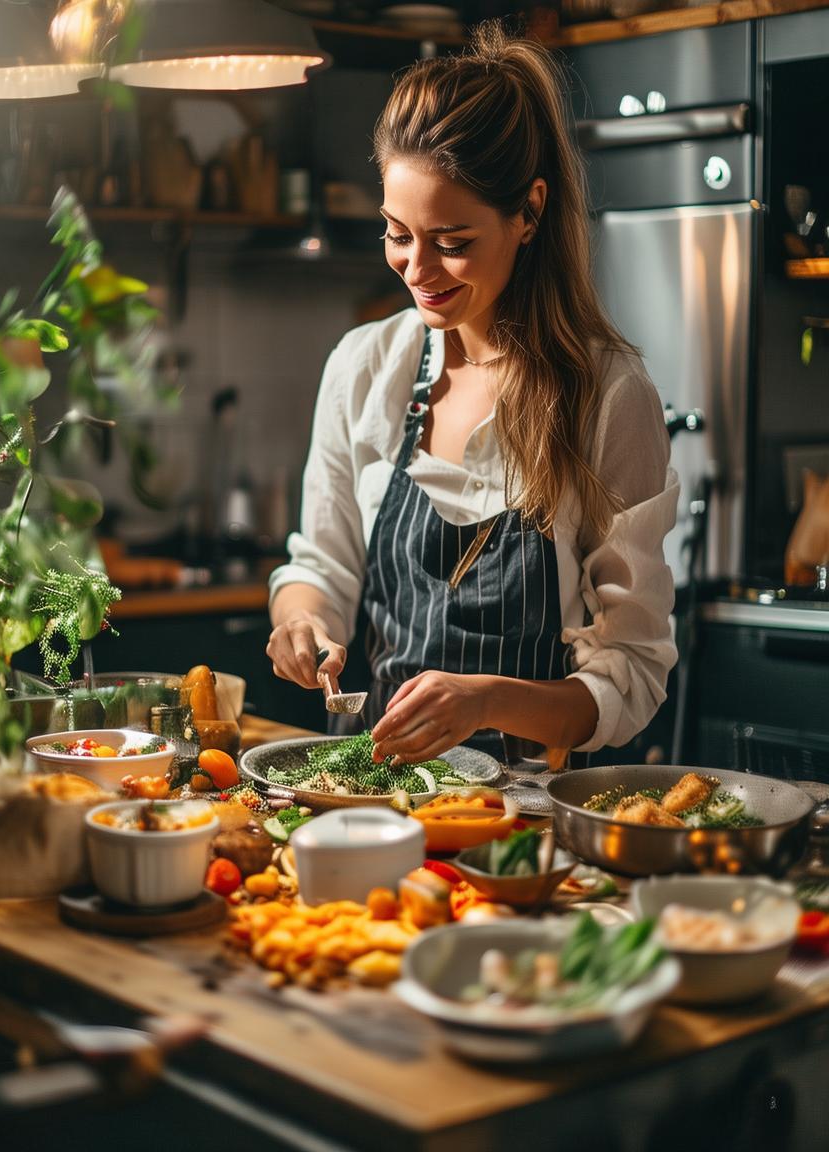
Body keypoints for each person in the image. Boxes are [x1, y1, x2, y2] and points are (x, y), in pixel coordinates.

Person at [266, 21, 678, 768]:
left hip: (527, 825)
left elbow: (633, 674)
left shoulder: (607, 396)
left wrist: (486, 701)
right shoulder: (366, 368)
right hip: (372, 801)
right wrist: (301, 620)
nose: (417, 269)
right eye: (398, 234)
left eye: (451, 242)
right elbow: (320, 567)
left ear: (529, 213)